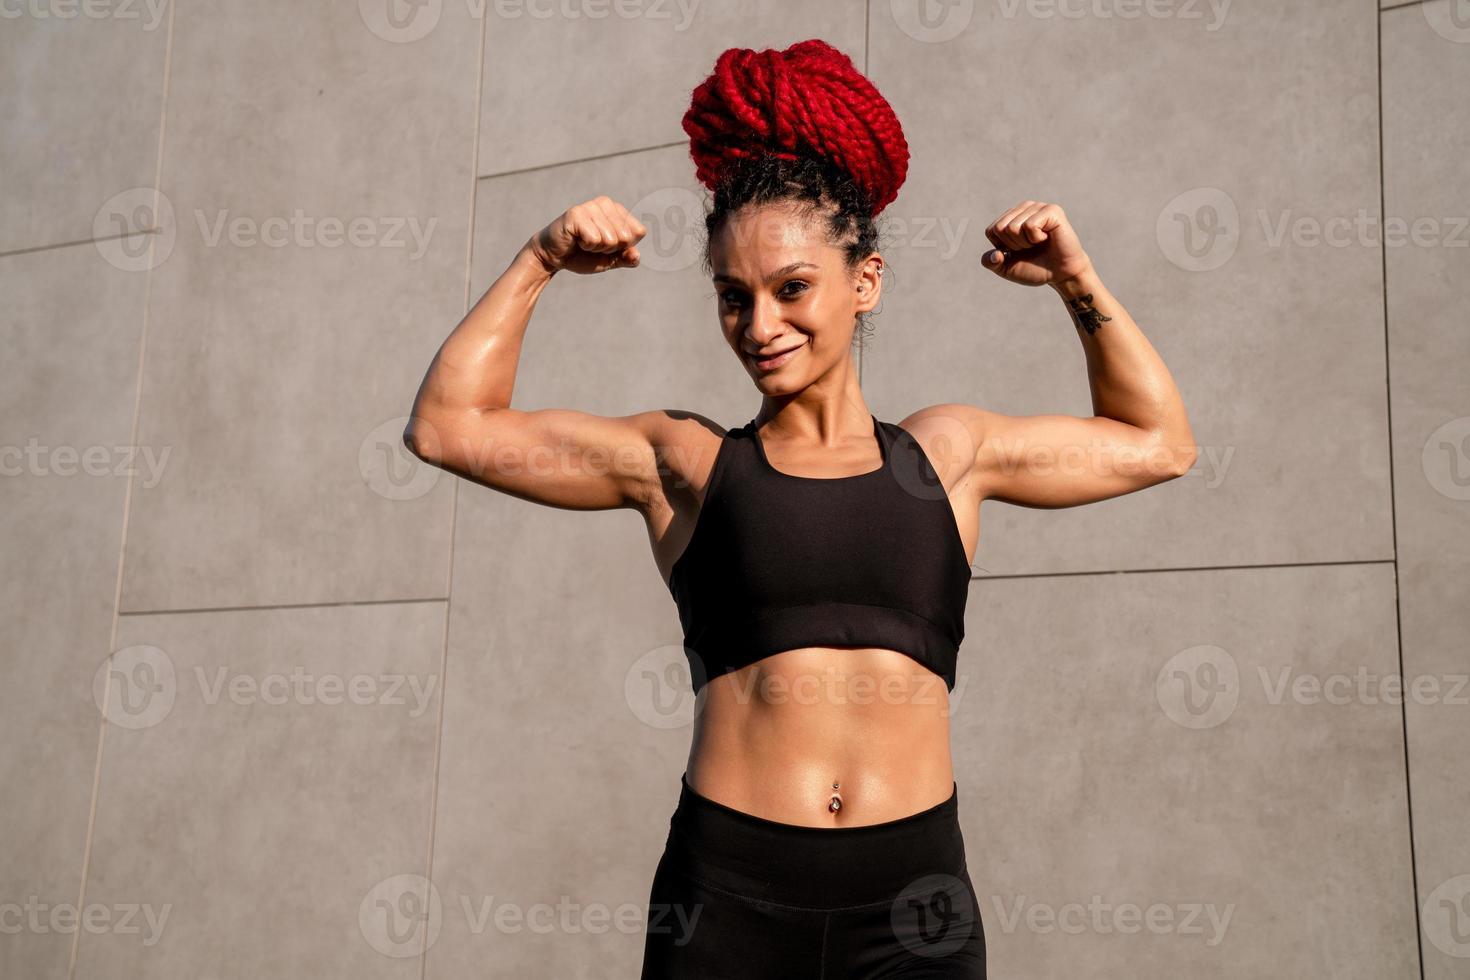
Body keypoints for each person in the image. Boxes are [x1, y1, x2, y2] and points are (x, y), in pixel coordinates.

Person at [405, 37, 1195, 980]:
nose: (761, 326)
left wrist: (1076, 279)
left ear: (865, 283)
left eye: (792, 289)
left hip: (914, 906)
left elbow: (1159, 443)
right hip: (729, 899)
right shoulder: (687, 464)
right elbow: (449, 427)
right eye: (734, 298)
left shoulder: (946, 456)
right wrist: (541, 258)